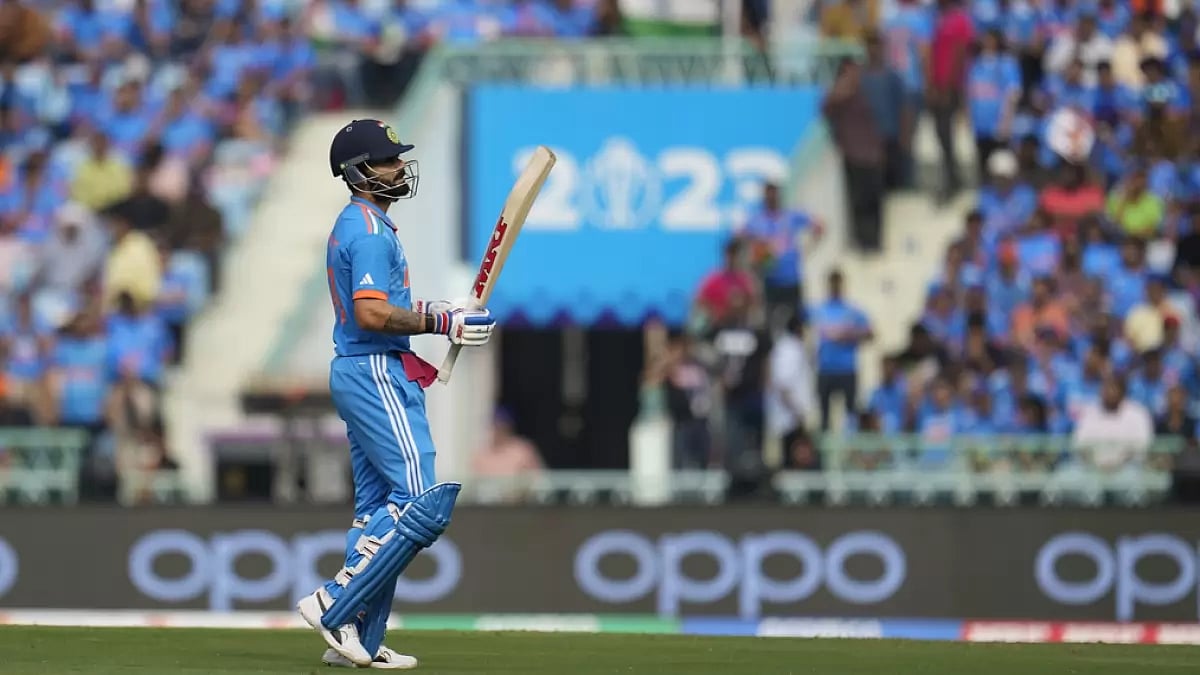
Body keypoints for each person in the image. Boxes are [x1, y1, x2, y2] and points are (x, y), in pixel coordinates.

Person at [296, 119, 496, 669]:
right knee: (419, 503)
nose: (398, 168)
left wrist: (445, 314)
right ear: (360, 171)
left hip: (365, 368)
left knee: (374, 513)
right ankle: (335, 600)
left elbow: (385, 305)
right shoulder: (368, 231)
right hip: (375, 370)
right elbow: (372, 312)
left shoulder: (362, 224)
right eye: (387, 160)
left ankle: (356, 635)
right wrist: (440, 322)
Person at [739, 182, 823, 330]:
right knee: (770, 322)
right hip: (770, 280)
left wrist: (805, 249)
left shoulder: (790, 216)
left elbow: (819, 226)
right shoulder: (757, 219)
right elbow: (740, 237)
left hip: (791, 279)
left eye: (774, 192)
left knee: (797, 322)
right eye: (768, 192)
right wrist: (755, 256)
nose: (771, 196)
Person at [823, 58, 886, 252]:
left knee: (874, 200)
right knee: (857, 200)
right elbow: (826, 107)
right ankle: (860, 240)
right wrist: (845, 86)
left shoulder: (868, 91)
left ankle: (875, 240)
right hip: (853, 154)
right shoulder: (840, 94)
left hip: (872, 154)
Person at [811, 270, 873, 431]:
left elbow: (870, 333)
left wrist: (848, 334)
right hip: (825, 368)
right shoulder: (819, 309)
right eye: (832, 283)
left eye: (837, 283)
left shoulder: (852, 311)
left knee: (851, 413)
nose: (835, 287)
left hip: (847, 368)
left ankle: (849, 446)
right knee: (824, 415)